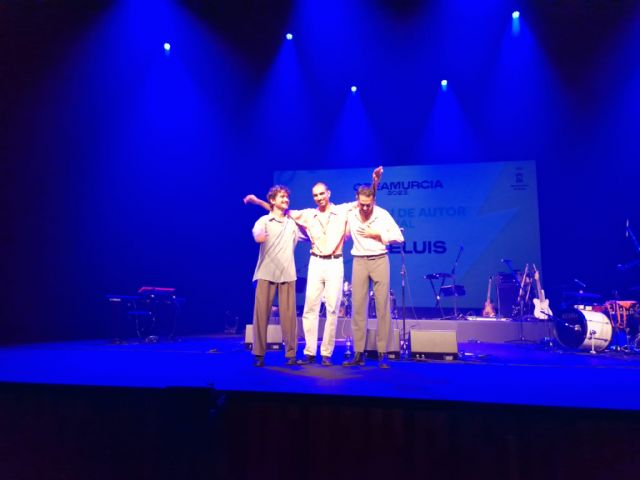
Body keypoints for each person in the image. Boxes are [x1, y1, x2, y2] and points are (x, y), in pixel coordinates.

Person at [244, 168, 382, 366]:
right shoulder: (308, 215)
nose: (319, 198)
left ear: (329, 193)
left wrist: (375, 182)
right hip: (315, 261)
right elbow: (279, 211)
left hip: (334, 261)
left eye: (321, 194)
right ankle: (309, 352)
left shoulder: (342, 210)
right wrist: (258, 202)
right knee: (310, 308)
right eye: (315, 195)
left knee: (332, 308)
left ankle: (326, 353)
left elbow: (365, 200)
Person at [343, 184, 404, 368]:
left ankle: (383, 352)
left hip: (379, 259)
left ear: (373, 201)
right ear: (357, 200)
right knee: (358, 307)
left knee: (382, 306)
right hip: (359, 261)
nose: (364, 207)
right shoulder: (351, 214)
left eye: (368, 204)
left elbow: (399, 237)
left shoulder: (382, 214)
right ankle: (358, 352)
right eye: (362, 204)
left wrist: (378, 234)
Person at [249, 185, 303, 367]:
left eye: (287, 197)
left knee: (289, 318)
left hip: (287, 274)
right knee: (261, 315)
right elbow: (256, 232)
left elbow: (302, 237)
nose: (286, 199)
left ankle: (291, 354)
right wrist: (258, 236)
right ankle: (258, 354)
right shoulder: (264, 221)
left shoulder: (291, 223)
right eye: (282, 197)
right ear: (272, 200)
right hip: (266, 272)